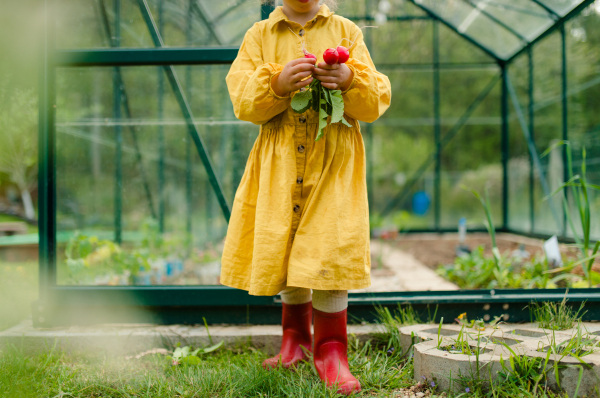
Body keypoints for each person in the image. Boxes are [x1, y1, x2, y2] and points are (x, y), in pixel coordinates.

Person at [221, 0, 391, 394]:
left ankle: (331, 349)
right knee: (286, 242)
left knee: (329, 247)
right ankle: (293, 341)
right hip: (280, 161)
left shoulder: (346, 31)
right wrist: (277, 84)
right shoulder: (259, 36)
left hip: (333, 160)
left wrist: (348, 78)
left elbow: (375, 101)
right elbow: (242, 100)